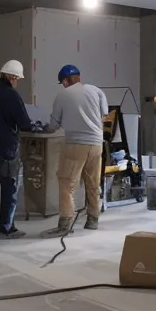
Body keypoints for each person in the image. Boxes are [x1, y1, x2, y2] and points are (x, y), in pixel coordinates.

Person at [0, 60, 42, 238]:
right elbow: (24, 124)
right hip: (6, 150)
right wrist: (36, 126)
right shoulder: (12, 96)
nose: (17, 81)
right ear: (12, 77)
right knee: (10, 188)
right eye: (17, 78)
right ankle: (6, 228)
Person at [41, 64, 109, 238]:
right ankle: (93, 219)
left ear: (65, 81)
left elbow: (54, 125)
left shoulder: (63, 95)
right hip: (96, 144)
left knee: (66, 182)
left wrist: (44, 128)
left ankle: (65, 223)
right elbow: (105, 114)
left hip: (75, 145)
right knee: (93, 182)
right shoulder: (96, 91)